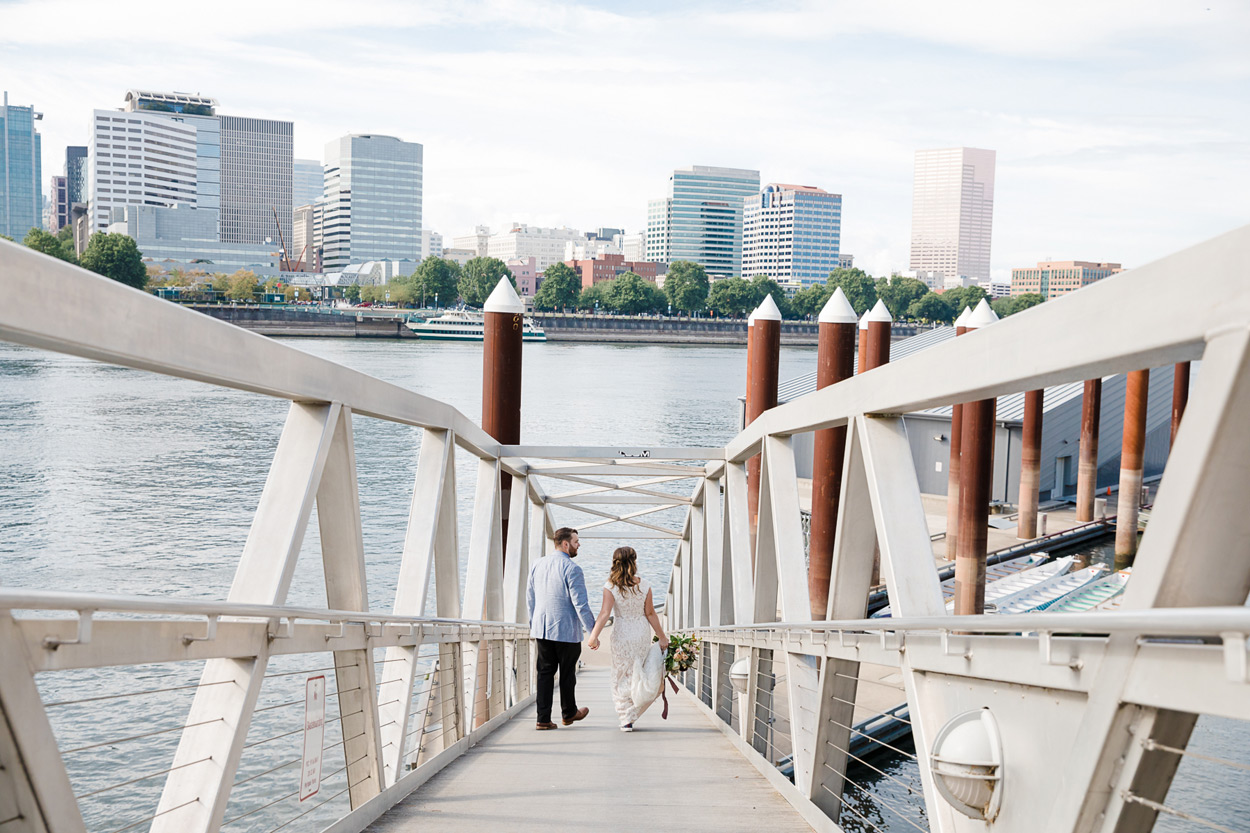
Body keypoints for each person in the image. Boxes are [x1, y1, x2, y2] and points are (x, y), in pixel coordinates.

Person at [587, 546, 669, 732]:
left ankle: (626, 717)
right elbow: (650, 613)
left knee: (621, 673)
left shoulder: (610, 586)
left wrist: (593, 637)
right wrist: (662, 637)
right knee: (638, 671)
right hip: (640, 632)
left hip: (622, 633)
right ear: (634, 561)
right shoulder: (644, 584)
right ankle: (632, 712)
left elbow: (604, 613)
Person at [527, 527, 596, 730]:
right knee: (567, 673)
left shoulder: (536, 564)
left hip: (542, 628)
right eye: (576, 541)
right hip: (566, 630)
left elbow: (530, 598)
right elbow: (580, 604)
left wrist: (534, 624)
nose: (578, 544)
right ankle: (568, 713)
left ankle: (543, 719)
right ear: (565, 544)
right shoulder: (572, 569)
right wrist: (593, 631)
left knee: (544, 673)